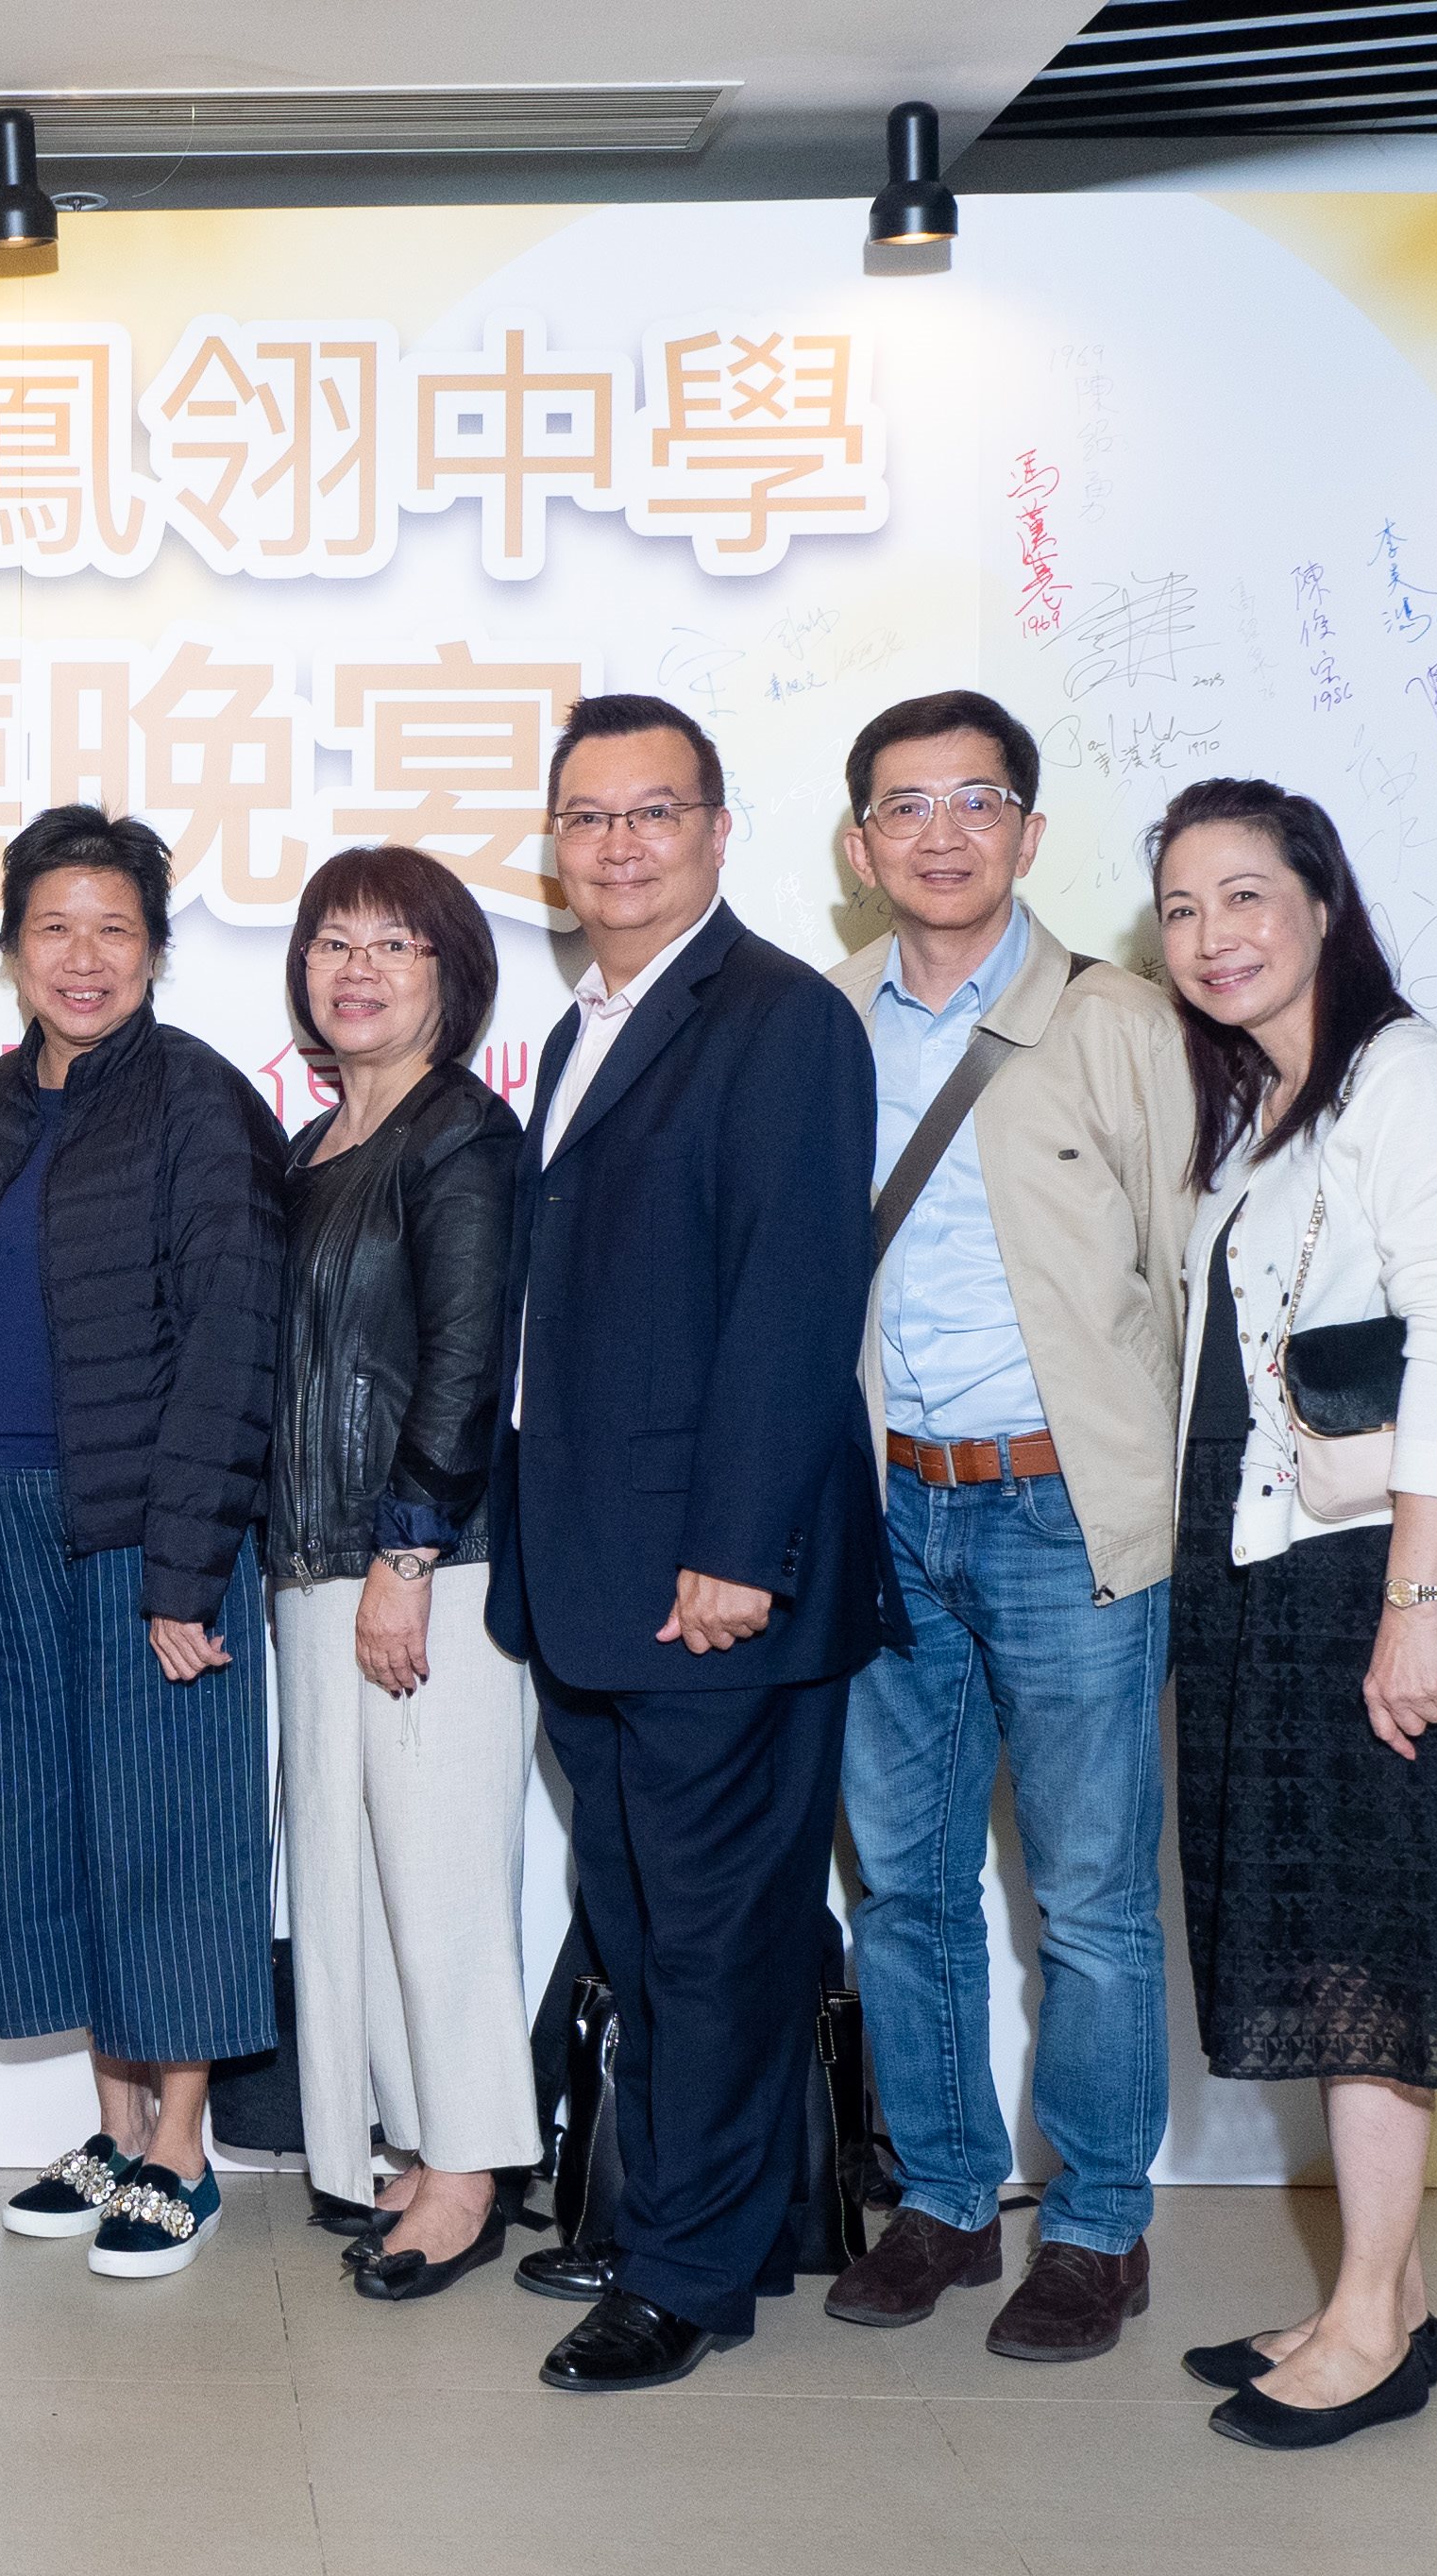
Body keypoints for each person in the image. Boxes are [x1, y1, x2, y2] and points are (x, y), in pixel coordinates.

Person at [484, 691, 894, 2391]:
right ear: (555, 848)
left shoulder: (782, 1020)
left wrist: (737, 1550)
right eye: (588, 818)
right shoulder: (582, 1027)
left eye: (654, 812)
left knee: (717, 1939)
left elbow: (795, 1306)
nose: (620, 845)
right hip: (593, 1573)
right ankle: (673, 2214)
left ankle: (689, 2279)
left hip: (713, 1583)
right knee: (644, 1927)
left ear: (719, 832)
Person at [1153, 775, 1437, 2450]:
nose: (1212, 935)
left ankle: (1373, 2324)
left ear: (1321, 903)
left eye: (1244, 895)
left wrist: (1416, 1604)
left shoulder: (1403, 1077)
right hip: (1279, 1563)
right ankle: (1381, 2292)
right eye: (1180, 909)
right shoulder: (1265, 1104)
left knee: (1380, 1943)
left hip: (1385, 1570)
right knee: (1331, 1939)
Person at [819, 692, 1196, 2363]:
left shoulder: (1120, 1023)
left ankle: (1099, 2224)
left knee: (1094, 1900)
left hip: (1065, 1513)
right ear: (861, 846)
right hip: (886, 1503)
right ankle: (949, 2198)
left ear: (1031, 833)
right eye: (908, 806)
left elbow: (1186, 1276)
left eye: (978, 800)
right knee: (904, 1887)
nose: (943, 833)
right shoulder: (825, 1021)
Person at [0, 805, 286, 2281]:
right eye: (54, 929)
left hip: (150, 1524)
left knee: (170, 1831)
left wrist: (187, 1566)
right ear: (12, 946)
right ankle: (114, 2124)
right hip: (10, 1518)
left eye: (115, 930)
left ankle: (182, 2148)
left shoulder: (199, 1101)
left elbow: (232, 1340)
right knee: (57, 1832)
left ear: (153, 948)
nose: (82, 959)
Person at [260, 848, 537, 2303]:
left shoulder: (463, 1136)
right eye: (333, 941)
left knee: (439, 1875)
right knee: (349, 1876)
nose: (356, 969)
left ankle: (472, 2167)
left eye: (394, 944)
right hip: (311, 1562)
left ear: (452, 975)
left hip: (431, 1565)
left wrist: (407, 1553)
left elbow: (465, 1361)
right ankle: (410, 2144)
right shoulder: (313, 1146)